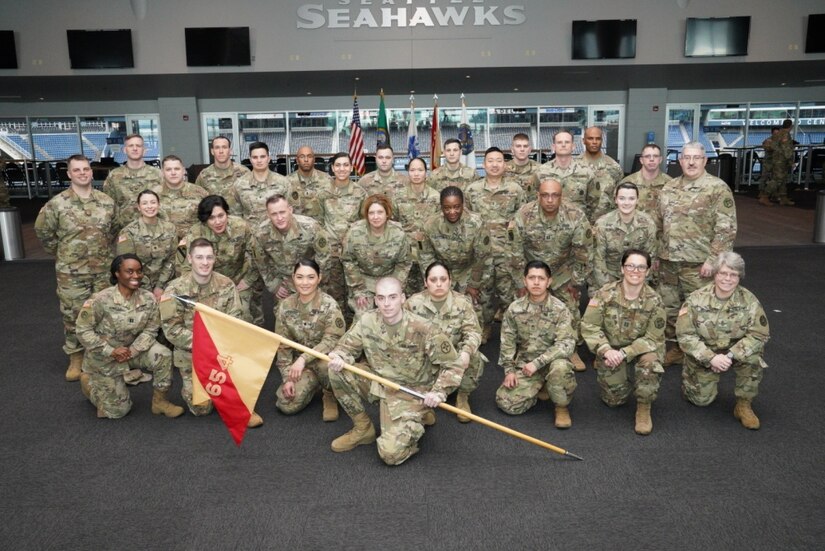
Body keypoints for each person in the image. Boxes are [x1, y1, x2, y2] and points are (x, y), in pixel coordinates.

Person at [326, 277, 464, 465]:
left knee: (390, 455)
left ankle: (419, 414)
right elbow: (346, 347)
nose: (387, 304)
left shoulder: (423, 327)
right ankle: (363, 428)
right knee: (337, 370)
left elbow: (453, 365)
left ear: (402, 298)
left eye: (392, 297)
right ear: (375, 300)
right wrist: (340, 356)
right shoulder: (367, 321)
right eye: (381, 298)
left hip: (412, 393)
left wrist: (438, 391)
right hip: (379, 383)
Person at [160, 238, 263, 426]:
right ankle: (215, 391)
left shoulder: (226, 284)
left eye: (209, 257)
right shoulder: (175, 290)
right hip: (193, 355)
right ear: (190, 259)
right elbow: (172, 330)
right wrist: (206, 344)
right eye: (199, 257)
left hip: (223, 353)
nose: (205, 262)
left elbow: (236, 320)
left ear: (214, 258)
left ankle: (240, 405)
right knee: (201, 409)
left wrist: (221, 347)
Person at [35, 154, 115, 382]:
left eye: (86, 169)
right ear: (69, 174)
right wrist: (64, 254)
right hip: (72, 273)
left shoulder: (106, 202)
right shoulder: (56, 204)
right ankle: (76, 356)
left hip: (102, 270)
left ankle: (101, 355)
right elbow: (44, 234)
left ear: (92, 172)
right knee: (73, 315)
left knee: (104, 314)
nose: (82, 173)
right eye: (77, 170)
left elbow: (112, 230)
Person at [76, 254, 184, 419]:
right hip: (105, 357)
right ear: (117, 274)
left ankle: (160, 402)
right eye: (129, 271)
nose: (136, 276)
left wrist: (132, 350)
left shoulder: (148, 299)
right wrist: (110, 351)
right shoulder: (100, 300)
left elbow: (151, 329)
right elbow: (83, 330)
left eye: (139, 271)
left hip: (133, 351)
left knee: (163, 354)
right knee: (117, 412)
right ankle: (90, 385)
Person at [659, 142, 737, 366]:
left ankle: (703, 354)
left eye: (696, 158)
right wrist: (655, 256)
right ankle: (677, 348)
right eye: (687, 158)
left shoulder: (717, 188)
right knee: (671, 308)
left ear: (705, 161)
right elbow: (658, 224)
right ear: (680, 161)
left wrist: (714, 260)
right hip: (668, 260)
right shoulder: (669, 187)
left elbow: (726, 228)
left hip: (699, 262)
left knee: (701, 308)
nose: (691, 162)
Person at [676, 252, 770, 430]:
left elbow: (759, 334)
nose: (727, 279)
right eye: (723, 273)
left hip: (735, 351)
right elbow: (685, 335)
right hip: (705, 353)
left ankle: (744, 404)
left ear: (739, 277)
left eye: (733, 274)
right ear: (715, 274)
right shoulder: (696, 299)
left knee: (754, 358)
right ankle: (690, 382)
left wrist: (730, 356)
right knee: (701, 401)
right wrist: (710, 358)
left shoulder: (749, 300)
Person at [511, 178, 593, 371]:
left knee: (570, 308)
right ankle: (524, 349)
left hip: (562, 270)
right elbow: (514, 251)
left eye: (554, 195)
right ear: (538, 196)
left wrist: (576, 282)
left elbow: (584, 251)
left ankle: (570, 348)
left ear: (561, 197)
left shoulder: (575, 215)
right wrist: (521, 283)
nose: (549, 200)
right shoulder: (524, 214)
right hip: (533, 270)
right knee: (523, 309)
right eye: (545, 195)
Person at [580, 249, 665, 435]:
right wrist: (605, 349)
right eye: (630, 266)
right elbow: (589, 326)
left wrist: (625, 353)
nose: (635, 271)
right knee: (614, 400)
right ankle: (623, 378)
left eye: (641, 267)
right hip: (612, 350)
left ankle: (644, 407)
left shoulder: (655, 300)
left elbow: (653, 338)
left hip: (641, 350)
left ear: (648, 271)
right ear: (622, 269)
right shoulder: (605, 294)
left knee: (650, 362)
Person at [495, 261, 577, 428]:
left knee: (560, 368)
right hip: (526, 366)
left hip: (552, 363)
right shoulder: (514, 309)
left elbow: (566, 344)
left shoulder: (560, 309)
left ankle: (561, 406)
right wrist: (509, 371)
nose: (536, 282)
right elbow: (507, 342)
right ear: (525, 281)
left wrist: (538, 363)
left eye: (541, 278)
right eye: (532, 278)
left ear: (549, 282)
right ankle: (539, 387)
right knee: (506, 403)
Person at [405, 262, 485, 422]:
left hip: (454, 359)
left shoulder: (462, 303)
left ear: (450, 281)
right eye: (433, 280)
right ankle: (423, 402)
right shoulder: (413, 304)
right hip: (427, 360)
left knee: (475, 357)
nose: (439, 284)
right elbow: (403, 335)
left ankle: (462, 397)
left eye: (443, 279)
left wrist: (466, 352)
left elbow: (474, 332)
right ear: (425, 282)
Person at [464, 147, 525, 339]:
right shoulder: (472, 190)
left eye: (499, 160)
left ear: (505, 164)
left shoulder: (515, 190)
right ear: (484, 165)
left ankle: (512, 331)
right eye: (490, 161)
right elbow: (467, 220)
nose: (495, 164)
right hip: (482, 253)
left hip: (508, 252)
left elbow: (522, 221)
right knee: (483, 293)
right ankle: (485, 326)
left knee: (509, 293)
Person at [274, 259, 346, 420]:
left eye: (310, 277)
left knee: (329, 367)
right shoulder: (285, 306)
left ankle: (329, 393)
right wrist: (288, 379)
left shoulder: (329, 305)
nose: (305, 282)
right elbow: (283, 346)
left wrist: (303, 358)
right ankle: (312, 383)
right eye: (299, 277)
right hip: (302, 367)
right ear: (293, 278)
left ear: (319, 278)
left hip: (325, 361)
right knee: (286, 404)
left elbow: (332, 340)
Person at [419, 186, 492, 332]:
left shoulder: (476, 223)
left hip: (471, 267)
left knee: (475, 300)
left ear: (463, 205)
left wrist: (474, 284)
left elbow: (481, 257)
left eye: (457, 207)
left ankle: (482, 328)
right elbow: (426, 257)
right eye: (447, 208)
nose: (452, 212)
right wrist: (435, 280)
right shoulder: (429, 225)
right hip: (443, 269)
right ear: (441, 207)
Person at [179, 195, 259, 324]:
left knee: (243, 316)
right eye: (211, 218)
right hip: (206, 284)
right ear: (204, 220)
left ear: (227, 213)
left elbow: (257, 255)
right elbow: (184, 267)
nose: (218, 222)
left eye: (221, 216)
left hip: (238, 281)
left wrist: (248, 280)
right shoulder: (194, 234)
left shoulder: (241, 226)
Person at [250, 194, 332, 316]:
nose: (279, 218)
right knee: (283, 316)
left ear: (290, 210)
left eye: (282, 212)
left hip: (310, 278)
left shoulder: (310, 227)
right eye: (274, 214)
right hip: (284, 281)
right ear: (268, 215)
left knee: (317, 316)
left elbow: (324, 255)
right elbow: (261, 262)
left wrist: (314, 281)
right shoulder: (261, 233)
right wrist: (275, 285)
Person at [341, 194, 411, 317]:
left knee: (393, 314)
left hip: (389, 279)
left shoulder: (398, 234)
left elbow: (404, 263)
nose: (375, 217)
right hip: (363, 281)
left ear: (387, 214)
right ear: (366, 215)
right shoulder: (354, 233)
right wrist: (358, 290)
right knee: (363, 317)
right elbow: (348, 261)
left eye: (380, 212)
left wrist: (394, 288)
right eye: (371, 213)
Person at [591, 182, 658, 291]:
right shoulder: (602, 223)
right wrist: (608, 288)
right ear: (615, 200)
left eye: (631, 199)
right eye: (622, 198)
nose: (626, 203)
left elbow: (649, 257)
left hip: (636, 275)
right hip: (607, 276)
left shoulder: (648, 223)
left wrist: (637, 285)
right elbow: (598, 260)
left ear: (637, 200)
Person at [116, 189, 178, 300]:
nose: (149, 206)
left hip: (165, 284)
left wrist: (160, 286)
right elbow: (126, 265)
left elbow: (172, 259)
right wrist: (146, 289)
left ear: (159, 204)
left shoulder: (170, 229)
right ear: (139, 207)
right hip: (137, 285)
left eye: (153, 202)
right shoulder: (128, 232)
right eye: (145, 203)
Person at [393, 157, 441, 295]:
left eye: (420, 170)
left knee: (429, 291)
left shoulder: (435, 197)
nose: (416, 173)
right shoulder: (398, 196)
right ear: (408, 172)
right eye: (412, 170)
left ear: (426, 172)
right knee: (405, 292)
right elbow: (394, 224)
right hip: (405, 254)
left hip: (429, 254)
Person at [103, 134, 163, 232]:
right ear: (124, 150)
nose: (135, 149)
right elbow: (108, 205)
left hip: (153, 231)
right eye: (131, 146)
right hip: (124, 231)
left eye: (138, 146)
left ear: (144, 150)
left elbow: (163, 203)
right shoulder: (114, 176)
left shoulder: (157, 174)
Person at [536, 130, 598, 220]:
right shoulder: (541, 172)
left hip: (578, 225)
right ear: (553, 147)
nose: (563, 145)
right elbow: (534, 200)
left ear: (573, 146)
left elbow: (594, 202)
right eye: (559, 142)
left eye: (567, 142)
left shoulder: (586, 172)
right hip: (549, 226)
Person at [618, 143, 671, 242]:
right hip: (631, 237)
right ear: (641, 160)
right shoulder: (627, 183)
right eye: (647, 156)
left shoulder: (670, 185)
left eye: (655, 156)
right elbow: (617, 211)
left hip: (658, 239)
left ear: (660, 160)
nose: (651, 159)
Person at [231, 141, 289, 228]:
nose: (259, 160)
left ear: (268, 158)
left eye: (262, 156)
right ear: (250, 159)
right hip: (250, 237)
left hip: (276, 236)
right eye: (255, 157)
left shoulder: (283, 182)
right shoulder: (239, 184)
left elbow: (290, 212)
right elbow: (235, 216)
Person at [152, 154, 208, 240]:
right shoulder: (153, 194)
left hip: (193, 245)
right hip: (162, 246)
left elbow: (210, 220)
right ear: (162, 172)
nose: (173, 172)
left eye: (177, 169)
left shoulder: (200, 193)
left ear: (183, 170)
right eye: (168, 169)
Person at [578, 126, 624, 222]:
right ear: (584, 141)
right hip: (580, 222)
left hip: (607, 223)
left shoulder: (613, 167)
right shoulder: (575, 166)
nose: (594, 142)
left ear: (601, 141)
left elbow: (620, 196)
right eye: (590, 138)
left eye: (598, 139)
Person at [194, 135, 249, 210]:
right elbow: (197, 201)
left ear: (230, 150)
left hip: (240, 219)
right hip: (216, 220)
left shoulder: (244, 172)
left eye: (224, 147)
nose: (221, 151)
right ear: (212, 151)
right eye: (217, 148)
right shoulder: (204, 175)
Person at [286, 145, 332, 221]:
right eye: (302, 156)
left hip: (320, 229)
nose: (306, 160)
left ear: (314, 160)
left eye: (309, 156)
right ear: (297, 160)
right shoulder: (287, 182)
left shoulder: (326, 180)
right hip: (297, 229)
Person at [761, 119, 795, 206]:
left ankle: (783, 198)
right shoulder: (785, 135)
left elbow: (765, 143)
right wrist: (791, 161)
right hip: (781, 161)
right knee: (777, 179)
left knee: (783, 180)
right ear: (791, 126)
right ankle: (765, 196)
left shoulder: (778, 133)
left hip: (776, 160)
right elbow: (787, 150)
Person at [505, 132, 541, 198]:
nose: (522, 149)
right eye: (518, 146)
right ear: (512, 150)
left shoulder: (540, 169)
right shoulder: (503, 169)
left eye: (525, 146)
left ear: (529, 150)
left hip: (533, 207)